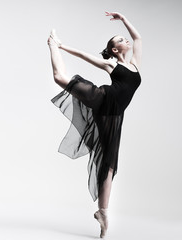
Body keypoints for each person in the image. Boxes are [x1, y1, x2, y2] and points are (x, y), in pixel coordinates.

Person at [48, 11, 142, 238]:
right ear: (114, 50)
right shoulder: (111, 65)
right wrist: (61, 46)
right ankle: (51, 44)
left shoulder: (134, 64)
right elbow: (84, 56)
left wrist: (123, 19)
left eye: (122, 38)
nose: (125, 40)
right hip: (104, 98)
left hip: (115, 115)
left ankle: (103, 213)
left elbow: (138, 38)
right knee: (60, 78)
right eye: (120, 40)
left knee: (109, 165)